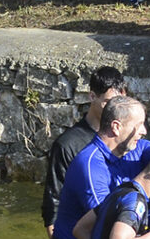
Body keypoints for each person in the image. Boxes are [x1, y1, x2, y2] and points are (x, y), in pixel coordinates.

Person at [45, 92, 150, 239]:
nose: (144, 131)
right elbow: (106, 226)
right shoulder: (90, 165)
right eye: (139, 125)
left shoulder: (136, 148)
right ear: (116, 127)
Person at [41, 65, 127, 230]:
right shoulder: (67, 145)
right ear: (92, 96)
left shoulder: (131, 139)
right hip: (81, 235)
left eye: (120, 103)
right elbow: (53, 207)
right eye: (108, 103)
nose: (116, 110)